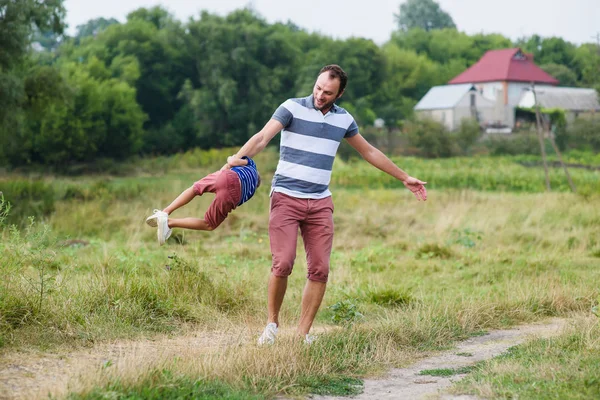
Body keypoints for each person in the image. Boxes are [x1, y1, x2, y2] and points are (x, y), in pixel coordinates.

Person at [223, 65, 427, 345]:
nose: (320, 95)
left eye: (328, 92)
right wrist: (237, 157)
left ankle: (302, 335)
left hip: (320, 202)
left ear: (339, 93)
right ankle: (271, 325)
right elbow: (262, 137)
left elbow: (368, 151)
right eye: (318, 88)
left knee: (320, 269)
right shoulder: (291, 108)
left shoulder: (344, 120)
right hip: (286, 197)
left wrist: (404, 177)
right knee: (283, 262)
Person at [146, 156, 260, 245]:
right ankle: (170, 223)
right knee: (209, 224)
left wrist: (231, 158)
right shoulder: (251, 193)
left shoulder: (252, 165)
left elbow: (231, 162)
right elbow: (235, 201)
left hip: (225, 175)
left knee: (194, 189)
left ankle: (165, 212)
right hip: (233, 194)